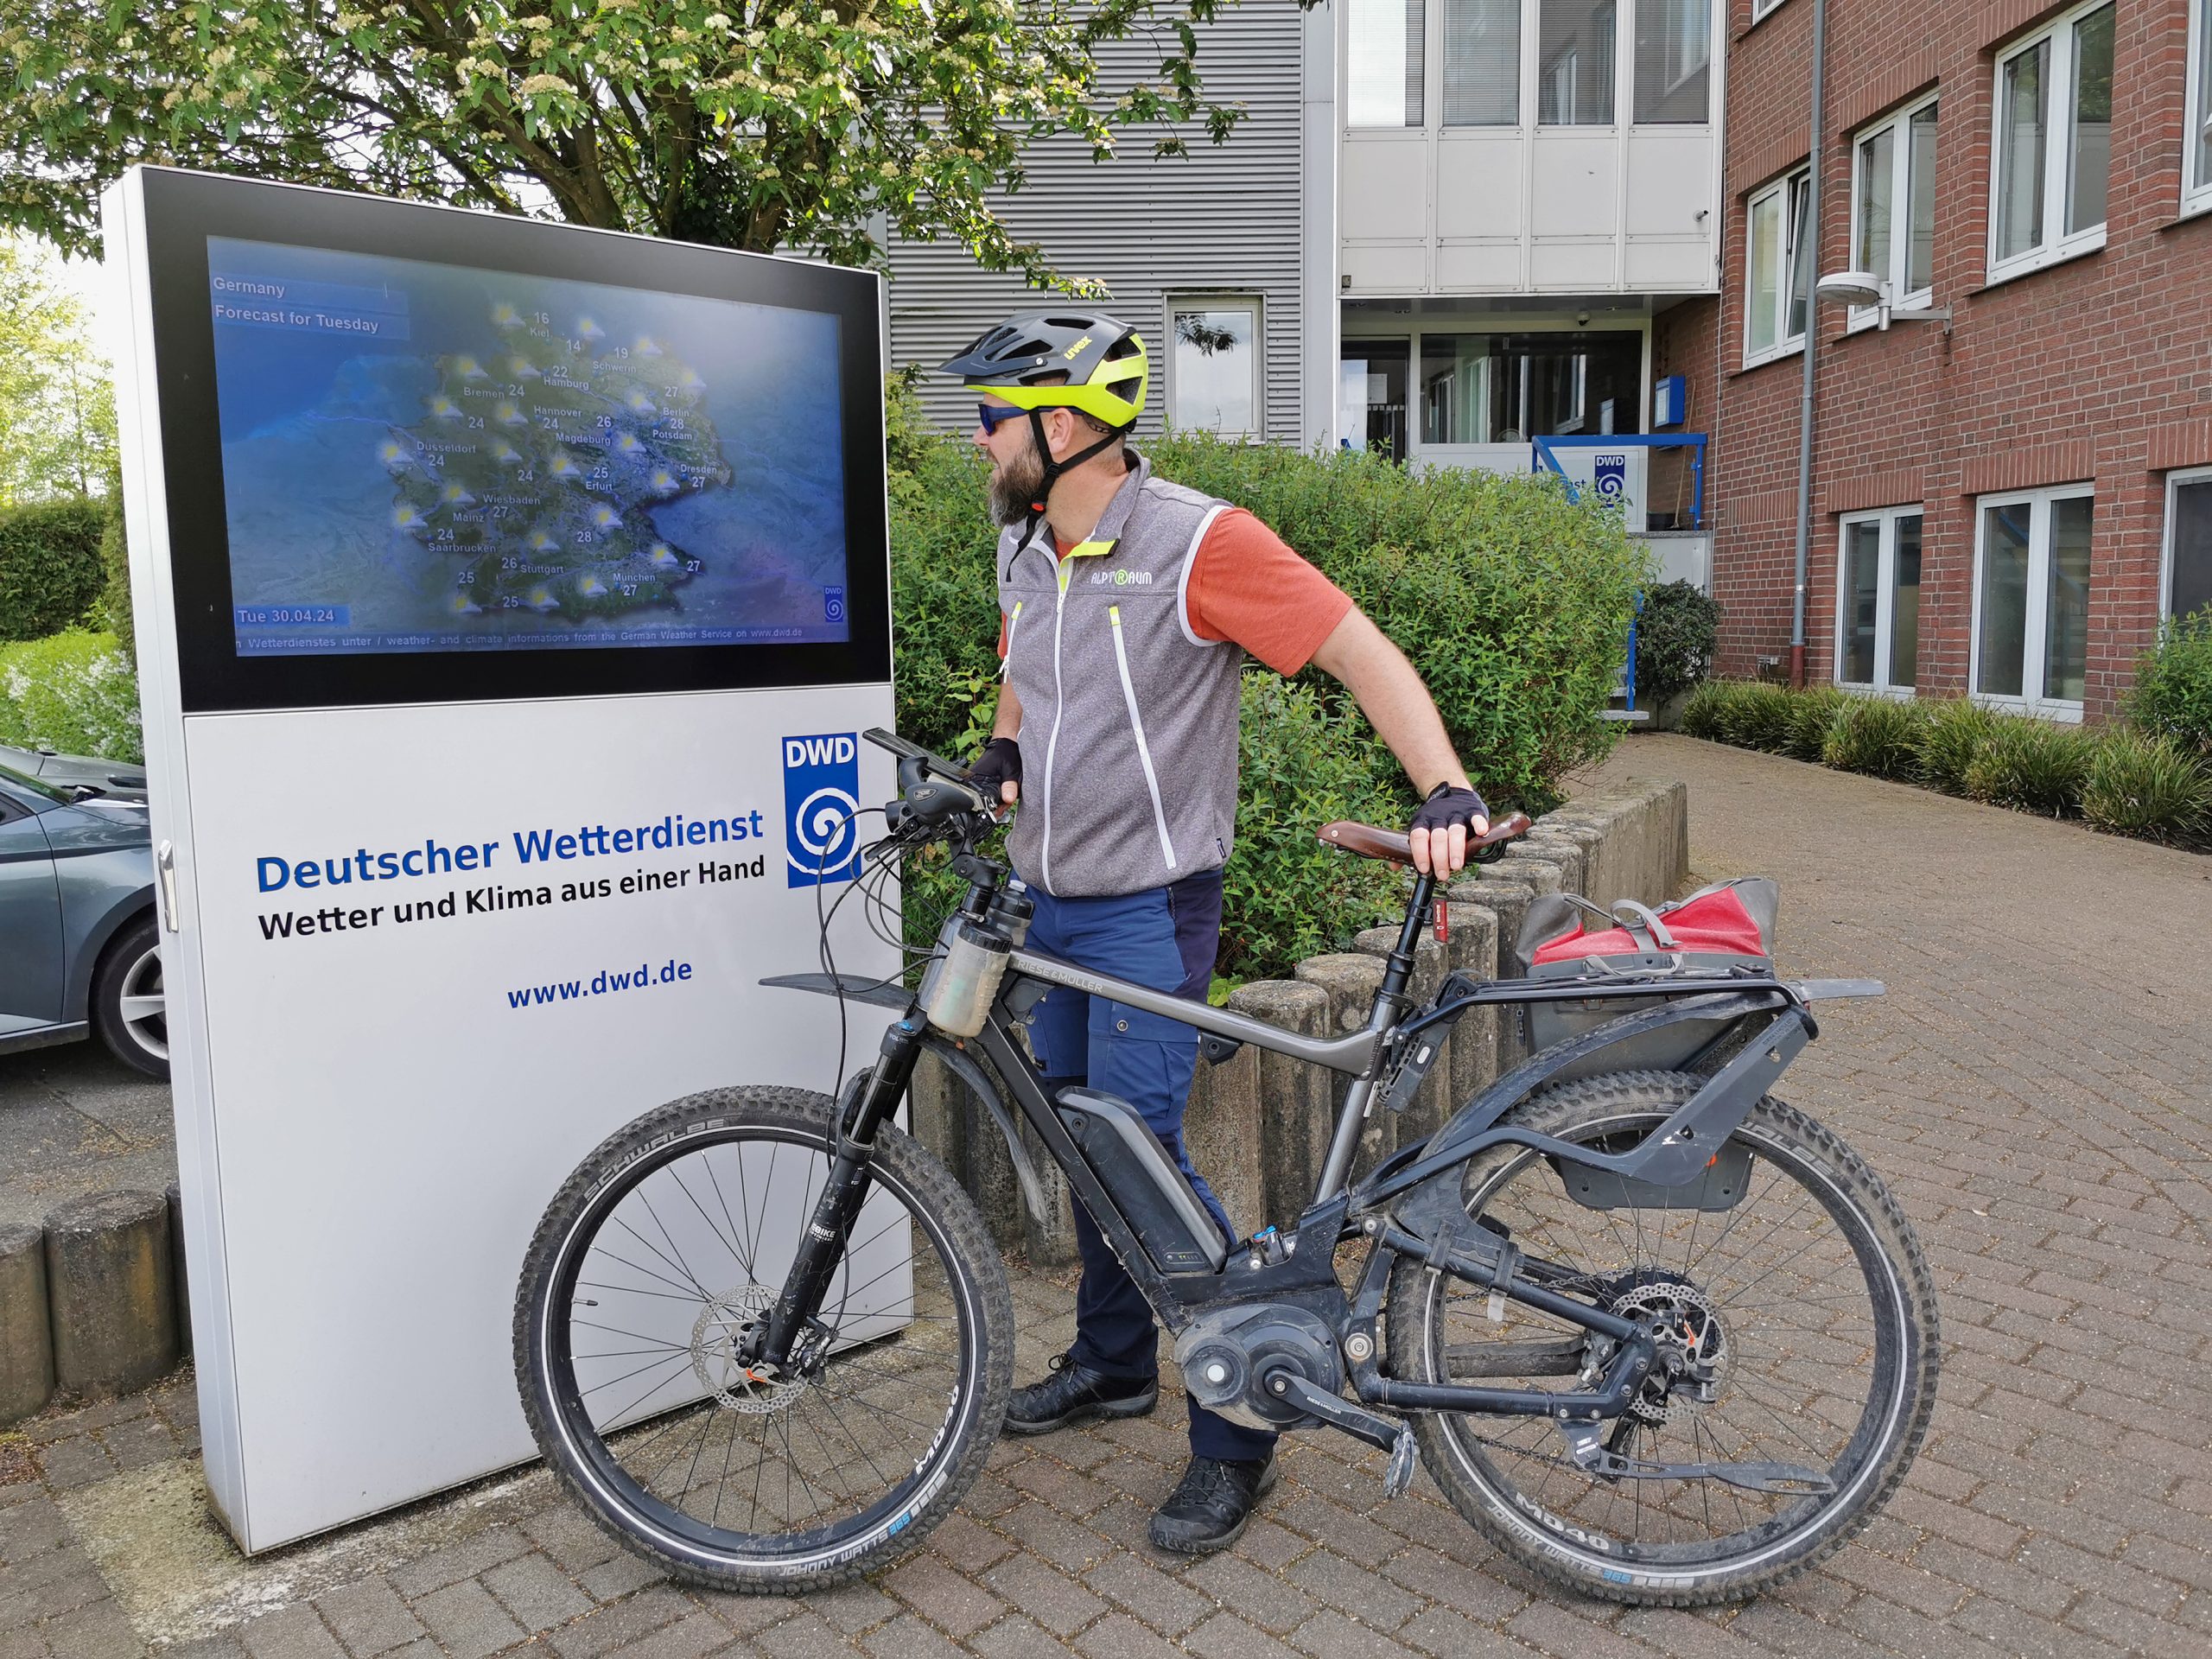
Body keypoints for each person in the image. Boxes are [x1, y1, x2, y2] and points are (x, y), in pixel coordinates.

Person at [937, 310, 1490, 1554]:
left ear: (1062, 425)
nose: (976, 442)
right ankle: (1115, 1361)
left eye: (988, 419)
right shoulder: (1028, 538)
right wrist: (1001, 747)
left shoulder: (1197, 542)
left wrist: (1442, 786)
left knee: (1145, 1156)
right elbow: (1029, 663)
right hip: (1051, 901)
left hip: (1148, 903)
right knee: (1087, 1142)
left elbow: (1360, 650)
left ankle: (1239, 1437)